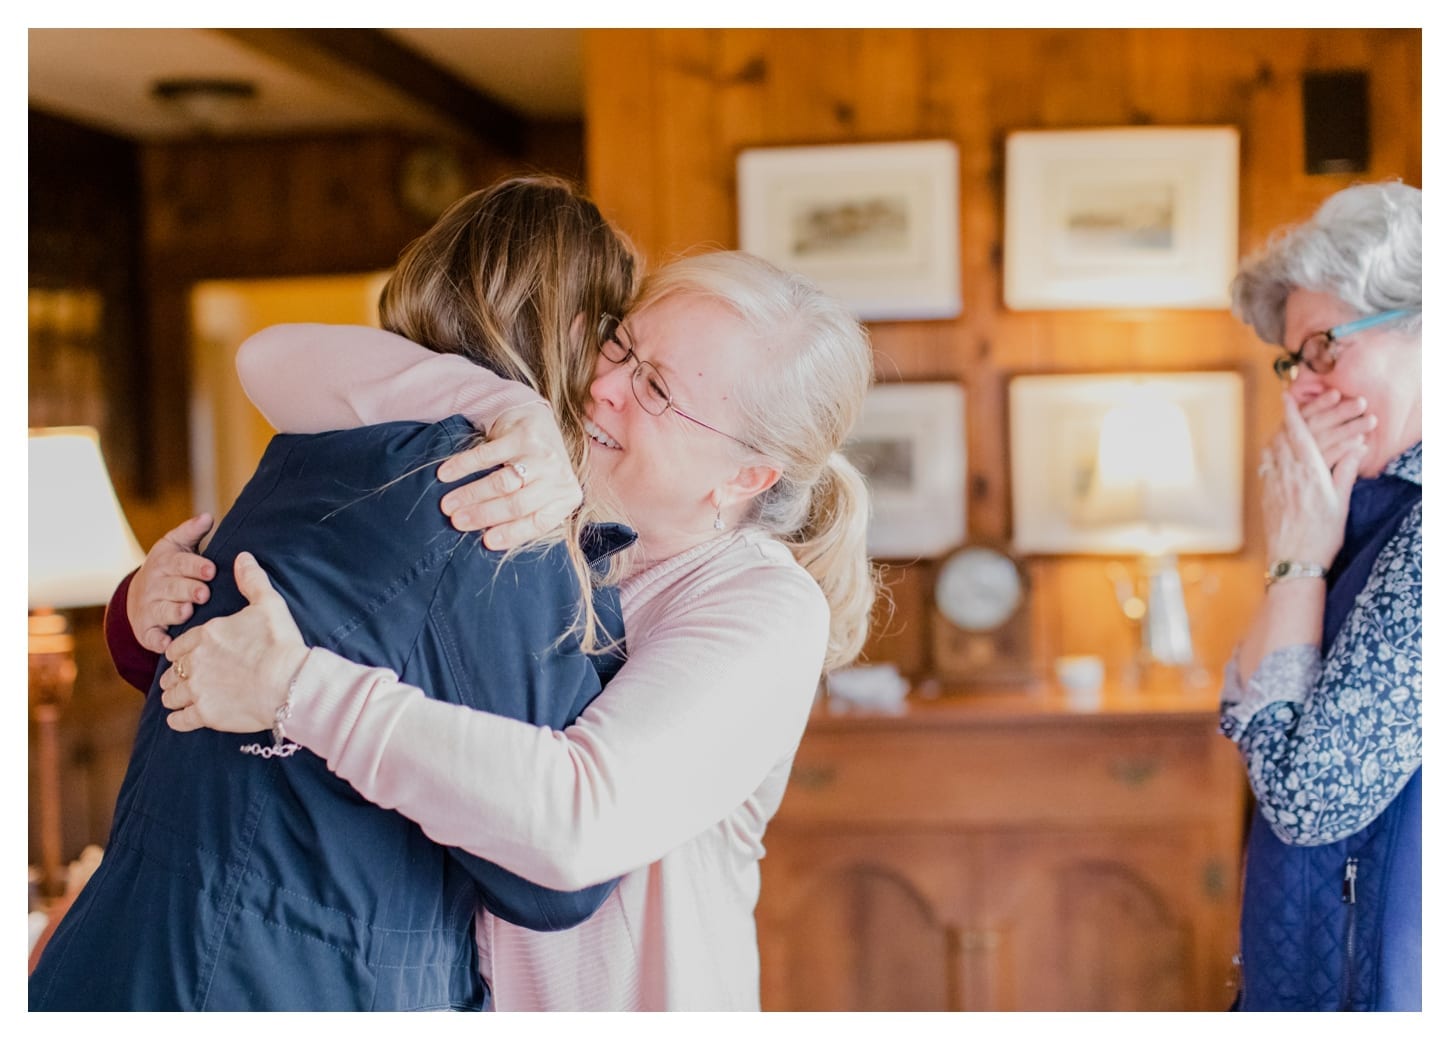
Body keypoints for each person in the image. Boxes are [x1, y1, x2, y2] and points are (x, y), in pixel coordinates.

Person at [115, 248, 878, 1010]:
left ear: (748, 476)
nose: (601, 386)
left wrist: (297, 691)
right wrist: (506, 406)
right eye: (621, 346)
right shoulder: (533, 517)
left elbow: (580, 821)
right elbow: (271, 360)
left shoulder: (763, 606)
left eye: (655, 390)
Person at [30, 175, 642, 1010]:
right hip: (282, 981)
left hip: (126, 955)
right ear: (577, 330)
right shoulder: (501, 502)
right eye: (618, 343)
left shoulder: (309, 455)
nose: (616, 382)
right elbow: (551, 880)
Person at [1218, 181, 1421, 1011]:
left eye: (1325, 348)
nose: (1300, 389)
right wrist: (1300, 552)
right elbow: (1248, 712)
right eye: (1294, 361)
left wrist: (1299, 560)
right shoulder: (1363, 511)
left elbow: (1308, 798)